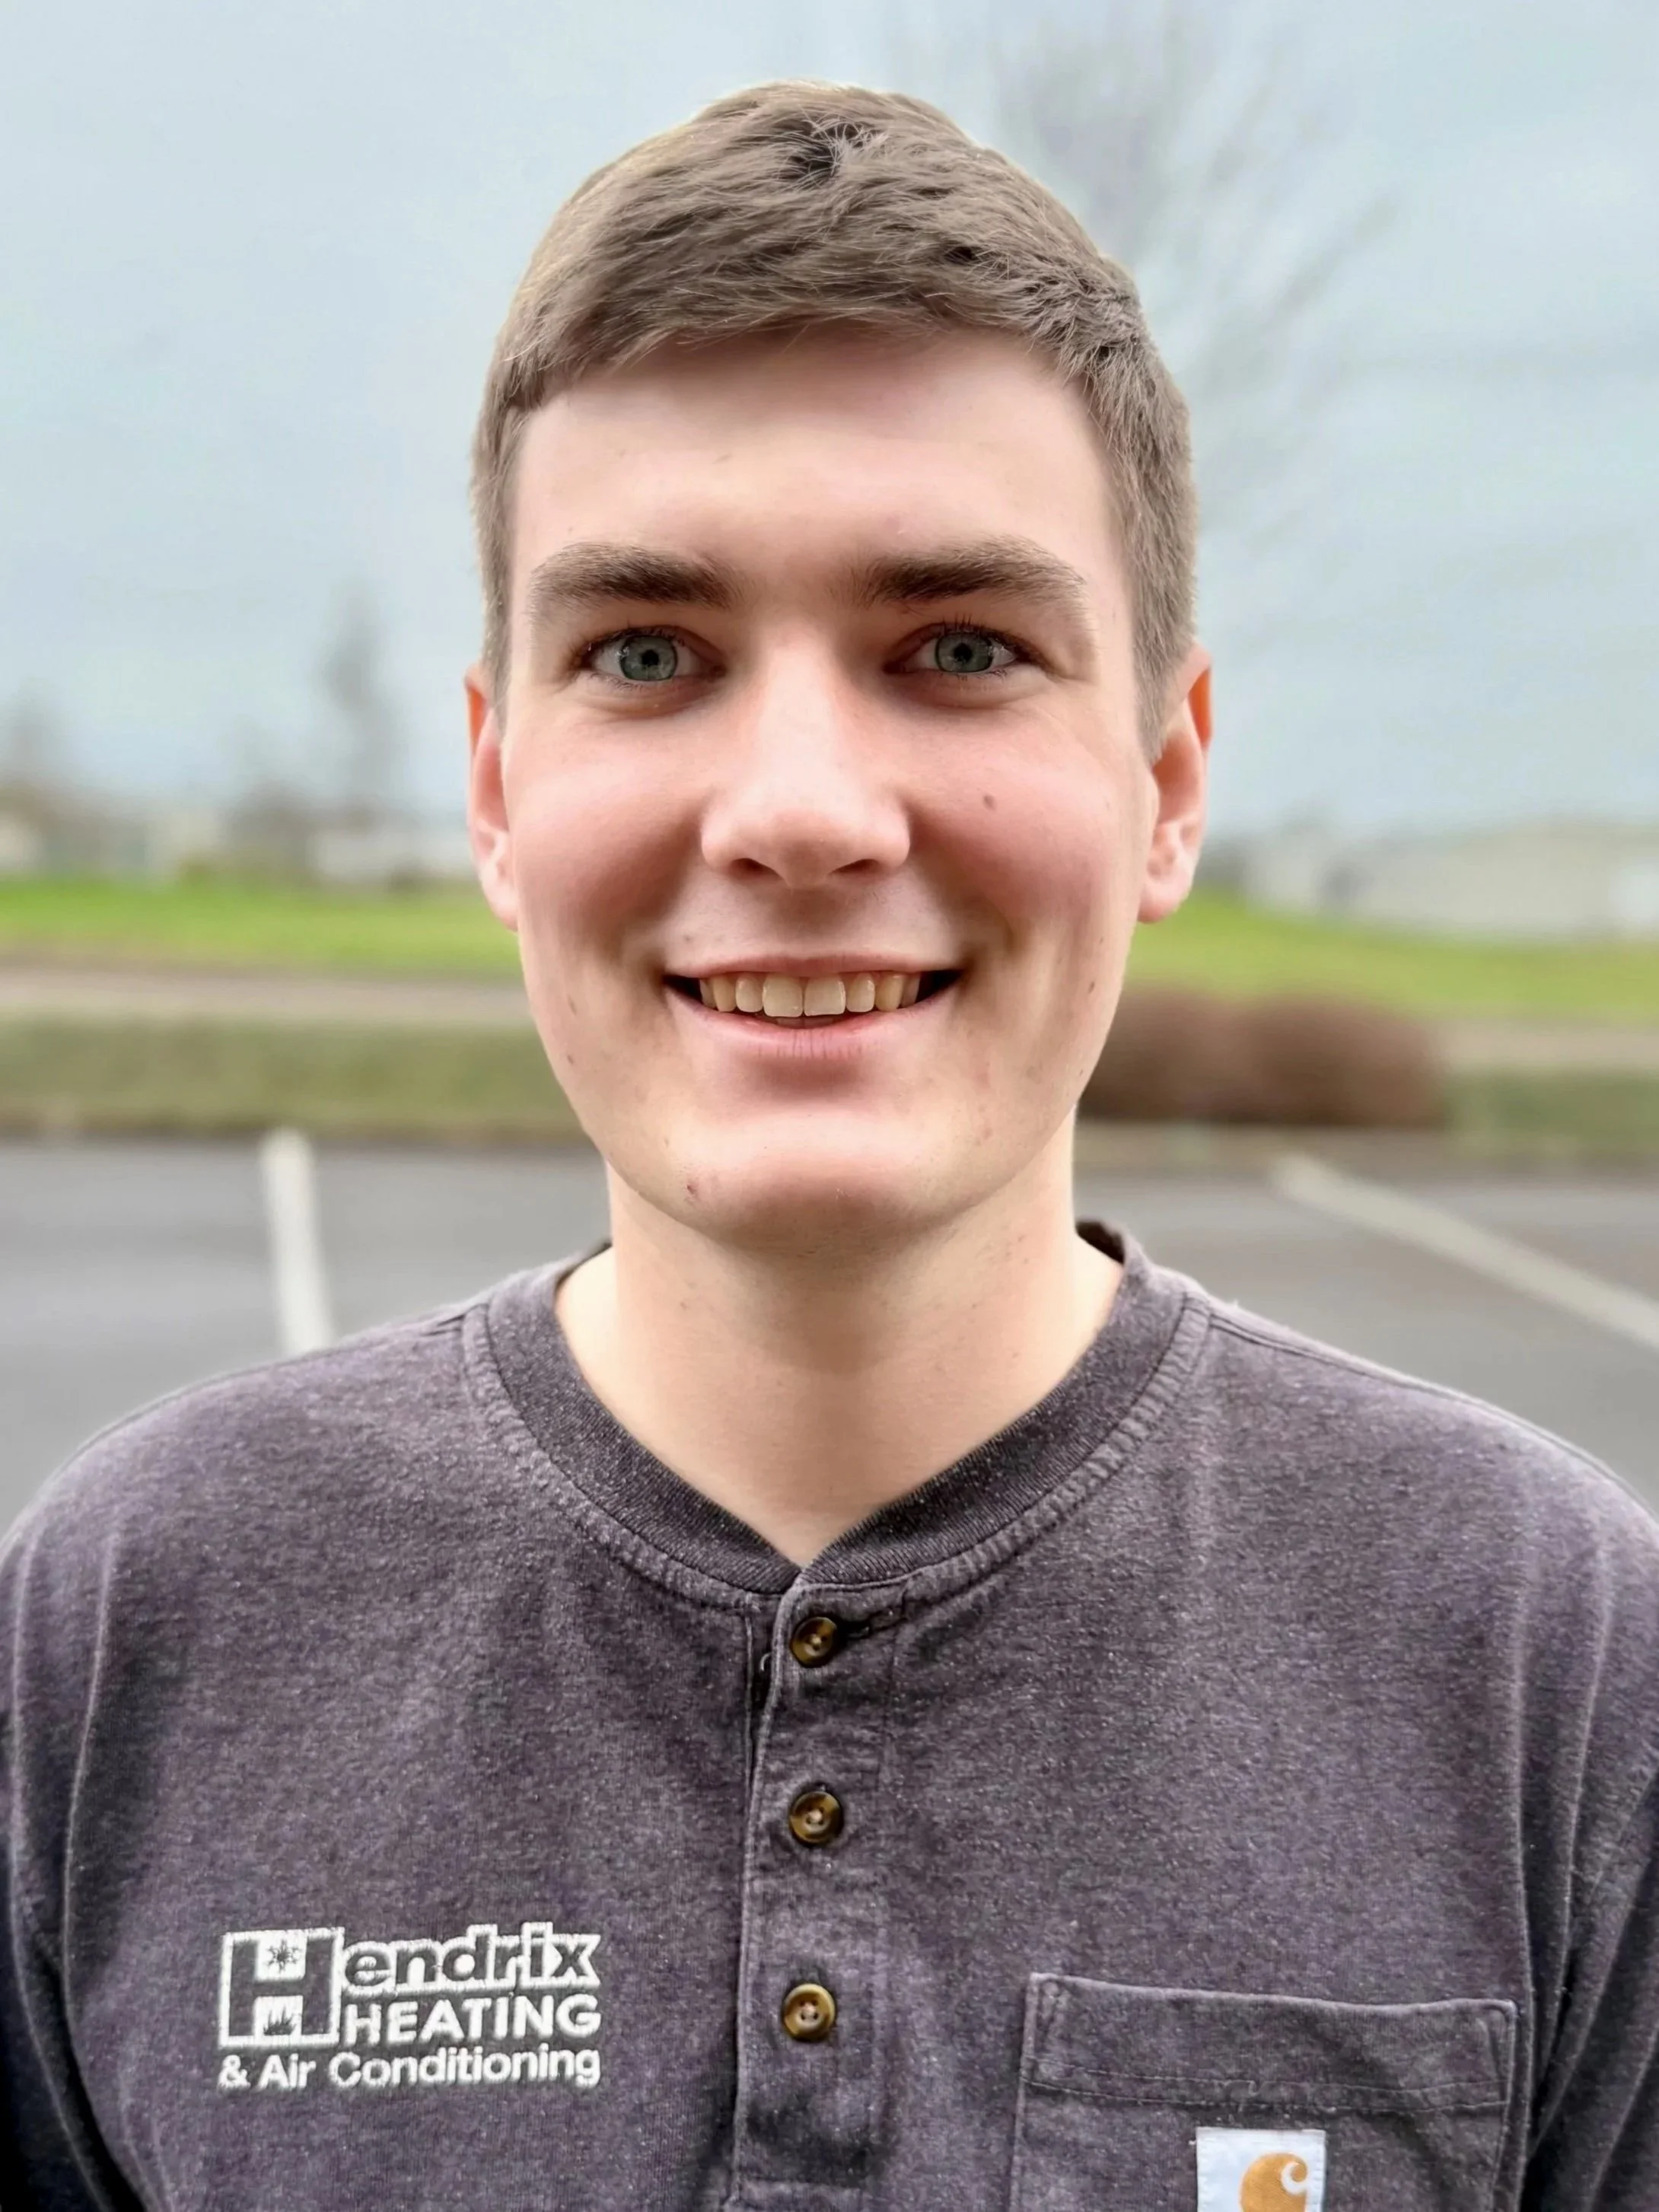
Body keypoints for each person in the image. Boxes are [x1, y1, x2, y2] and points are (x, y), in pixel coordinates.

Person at [2, 81, 1655, 2212]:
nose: (799, 808)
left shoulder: (1546, 1664)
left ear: (1165, 776)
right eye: (646, 653)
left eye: (956, 649)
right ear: (497, 788)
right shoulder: (134, 1625)